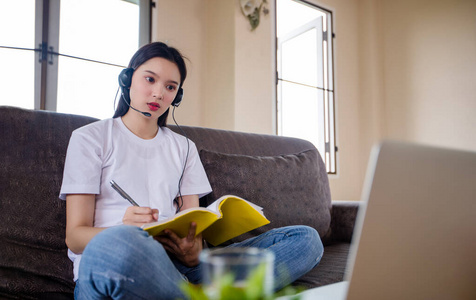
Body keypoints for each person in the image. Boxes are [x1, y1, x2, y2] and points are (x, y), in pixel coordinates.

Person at [60, 42, 323, 299]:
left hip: (179, 268)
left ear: (177, 96)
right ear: (127, 79)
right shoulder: (90, 139)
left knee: (305, 239)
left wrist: (192, 251)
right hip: (113, 264)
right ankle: (207, 294)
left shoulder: (184, 147)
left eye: (170, 87)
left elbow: (192, 221)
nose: (159, 94)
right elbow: (75, 236)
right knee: (121, 244)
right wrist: (123, 231)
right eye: (149, 79)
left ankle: (190, 292)